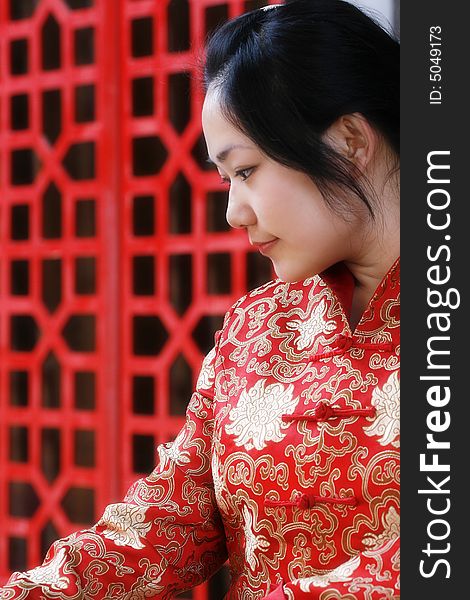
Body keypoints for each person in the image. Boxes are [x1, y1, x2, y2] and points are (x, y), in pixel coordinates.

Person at [1, 0, 400, 598]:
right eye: (224, 180)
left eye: (245, 171)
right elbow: (173, 519)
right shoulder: (257, 328)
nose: (233, 213)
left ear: (348, 140)